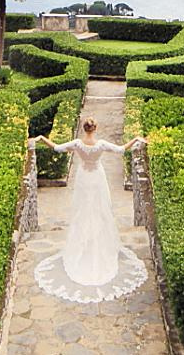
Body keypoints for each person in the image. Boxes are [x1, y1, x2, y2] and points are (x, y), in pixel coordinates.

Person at [32, 117, 148, 303]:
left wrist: (41, 138)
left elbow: (57, 148)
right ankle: (99, 244)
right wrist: (136, 138)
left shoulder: (78, 144)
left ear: (84, 128)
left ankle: (84, 245)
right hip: (97, 179)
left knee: (82, 211)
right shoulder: (100, 144)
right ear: (95, 128)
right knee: (100, 211)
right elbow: (121, 149)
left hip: (84, 179)